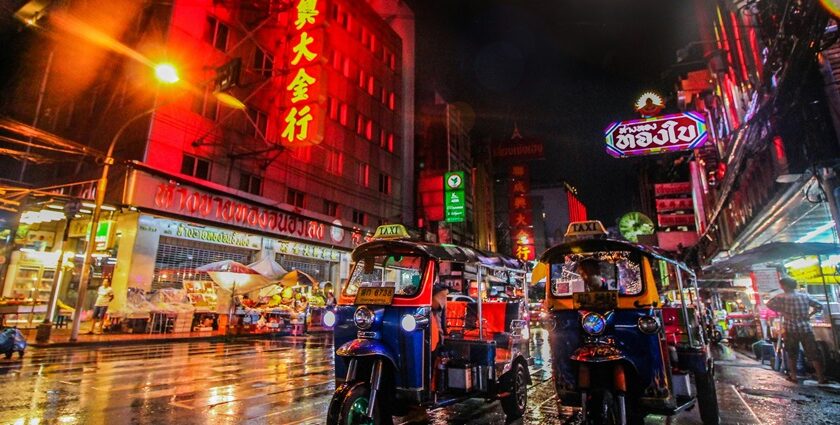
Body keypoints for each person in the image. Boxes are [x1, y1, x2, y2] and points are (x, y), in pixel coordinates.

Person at [766, 276, 827, 384]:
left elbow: (769, 304)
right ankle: (821, 377)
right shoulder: (805, 296)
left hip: (791, 328)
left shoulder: (781, 297)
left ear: (785, 286)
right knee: (813, 353)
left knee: (792, 353)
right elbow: (819, 306)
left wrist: (781, 310)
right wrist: (810, 314)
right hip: (805, 328)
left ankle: (793, 376)